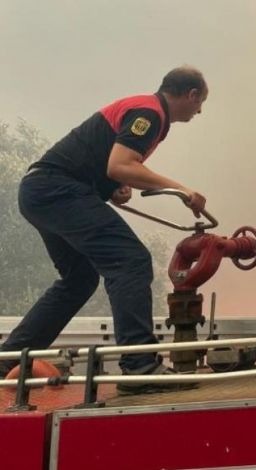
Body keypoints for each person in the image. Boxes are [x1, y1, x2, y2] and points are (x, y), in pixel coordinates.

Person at [0, 66, 208, 394]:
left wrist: (112, 187)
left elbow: (109, 166)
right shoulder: (150, 113)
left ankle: (9, 358)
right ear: (191, 94)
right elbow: (121, 164)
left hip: (41, 190)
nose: (199, 111)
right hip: (57, 190)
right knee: (131, 260)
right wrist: (182, 190)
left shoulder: (146, 110)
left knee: (79, 279)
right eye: (200, 104)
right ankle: (139, 367)